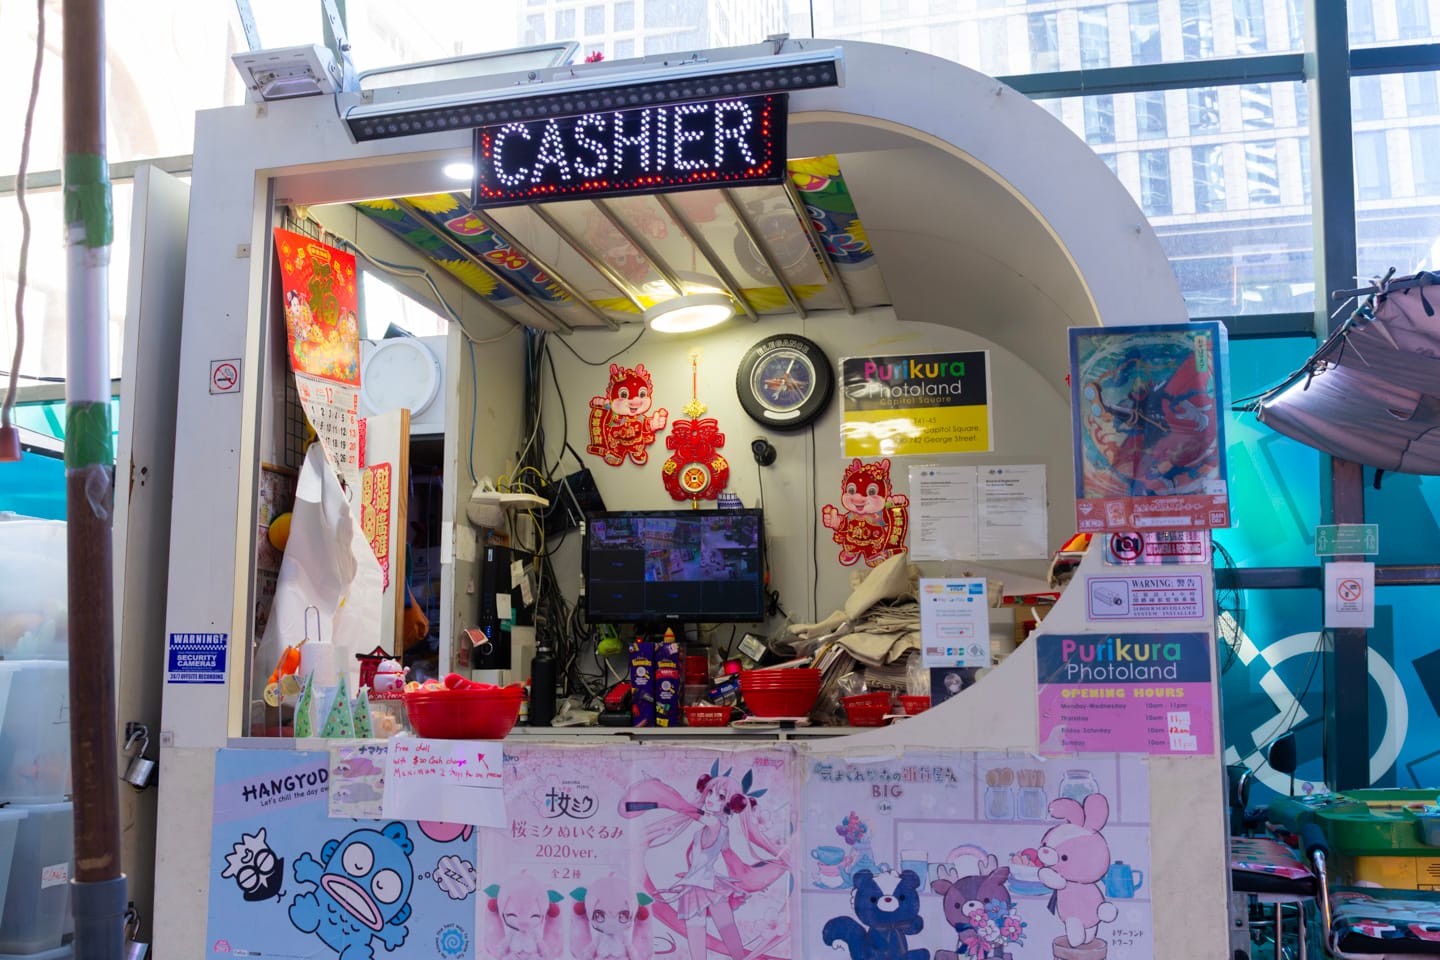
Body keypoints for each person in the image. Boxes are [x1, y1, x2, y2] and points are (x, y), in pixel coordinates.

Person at [620, 764, 788, 960]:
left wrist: (663, 797)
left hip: (700, 889)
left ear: (730, 804)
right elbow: (709, 856)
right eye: (710, 793)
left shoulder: (714, 823)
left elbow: (690, 812)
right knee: (726, 935)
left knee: (702, 939)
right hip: (708, 886)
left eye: (720, 797)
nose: (710, 799)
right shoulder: (716, 828)